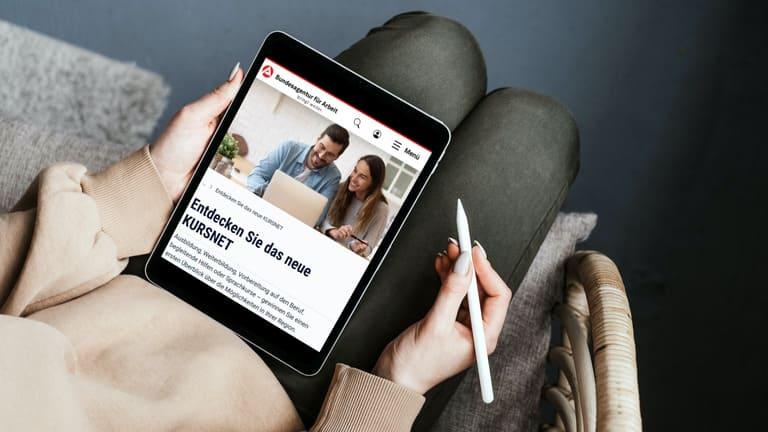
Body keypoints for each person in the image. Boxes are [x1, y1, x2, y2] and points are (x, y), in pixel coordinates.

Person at [1, 11, 579, 432]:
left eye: (339, 160)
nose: (330, 164)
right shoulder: (288, 158)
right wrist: (396, 385)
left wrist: (146, 183)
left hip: (156, 273)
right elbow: (262, 185)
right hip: (306, 401)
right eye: (328, 157)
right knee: (537, 132)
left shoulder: (338, 185)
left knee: (438, 46)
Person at [246, 124, 349, 223]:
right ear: (317, 139)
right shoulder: (289, 148)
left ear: (337, 157)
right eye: (322, 147)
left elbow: (319, 217)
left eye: (330, 154)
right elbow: (257, 175)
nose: (321, 156)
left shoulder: (333, 177)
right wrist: (267, 191)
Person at [321, 155, 389, 257]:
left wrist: (356, 247)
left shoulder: (381, 209)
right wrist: (333, 231)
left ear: (373, 183)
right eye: (355, 171)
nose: (354, 178)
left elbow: (369, 246)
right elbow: (322, 220)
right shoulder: (340, 188)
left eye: (362, 177)